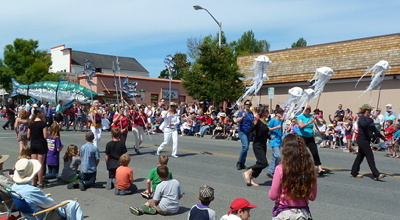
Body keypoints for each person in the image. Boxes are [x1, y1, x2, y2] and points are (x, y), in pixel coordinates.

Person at [11, 158, 84, 220]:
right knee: (73, 204)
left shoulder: (14, 188)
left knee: (68, 205)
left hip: (28, 215)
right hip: (41, 216)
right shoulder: (31, 191)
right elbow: (50, 204)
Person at [269, 133, 317, 219]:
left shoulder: (280, 169)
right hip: (302, 213)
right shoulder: (309, 168)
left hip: (284, 213)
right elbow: (312, 196)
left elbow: (273, 196)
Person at [351, 104, 387, 180]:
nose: (371, 112)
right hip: (362, 139)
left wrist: (383, 138)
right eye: (370, 110)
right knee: (370, 156)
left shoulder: (369, 120)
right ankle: (376, 174)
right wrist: (371, 119)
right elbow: (364, 125)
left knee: (360, 156)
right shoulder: (362, 118)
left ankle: (354, 172)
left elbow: (375, 130)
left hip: (367, 140)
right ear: (366, 110)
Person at [242, 105, 272, 186]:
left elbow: (263, 132)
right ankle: (248, 172)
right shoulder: (258, 121)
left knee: (260, 162)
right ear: (262, 112)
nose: (267, 112)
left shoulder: (265, 121)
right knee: (263, 163)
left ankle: (251, 179)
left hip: (263, 144)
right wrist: (255, 123)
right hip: (257, 144)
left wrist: (269, 137)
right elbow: (251, 130)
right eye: (266, 111)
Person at [297, 105, 325, 174]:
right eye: (305, 109)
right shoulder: (300, 117)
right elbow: (301, 126)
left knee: (314, 152)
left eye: (308, 109)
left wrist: (316, 119)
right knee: (301, 153)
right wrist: (310, 122)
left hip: (310, 136)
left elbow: (320, 124)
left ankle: (319, 167)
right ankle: (300, 167)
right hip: (301, 136)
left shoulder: (311, 116)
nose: (307, 110)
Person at [27, 108, 48, 187]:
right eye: (43, 112)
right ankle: (40, 182)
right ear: (39, 114)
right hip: (41, 144)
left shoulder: (31, 123)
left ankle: (33, 182)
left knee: (33, 164)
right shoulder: (43, 124)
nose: (44, 113)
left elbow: (28, 136)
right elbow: (45, 136)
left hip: (33, 143)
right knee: (40, 164)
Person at [236, 100, 254, 170]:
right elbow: (237, 121)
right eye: (246, 104)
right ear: (244, 105)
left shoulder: (251, 113)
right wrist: (242, 117)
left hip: (249, 132)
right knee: (245, 147)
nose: (248, 106)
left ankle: (242, 163)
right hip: (242, 131)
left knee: (246, 148)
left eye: (249, 104)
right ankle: (239, 162)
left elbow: (252, 122)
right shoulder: (242, 112)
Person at [267, 108, 284, 178]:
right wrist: (276, 127)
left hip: (279, 139)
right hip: (273, 139)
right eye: (280, 112)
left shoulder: (281, 121)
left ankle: (271, 171)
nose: (282, 114)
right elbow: (268, 128)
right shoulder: (273, 120)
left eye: (282, 112)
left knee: (274, 157)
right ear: (276, 113)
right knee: (278, 155)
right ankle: (278, 170)